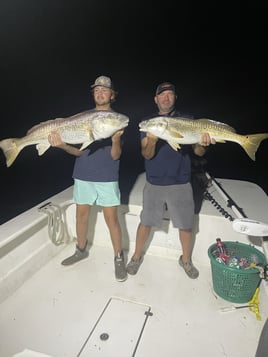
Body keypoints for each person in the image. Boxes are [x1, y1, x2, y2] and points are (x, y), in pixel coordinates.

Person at [126, 82, 215, 279]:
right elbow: (146, 155)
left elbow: (198, 152)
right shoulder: (148, 122)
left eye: (170, 94)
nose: (166, 98)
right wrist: (152, 140)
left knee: (185, 225)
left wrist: (203, 144)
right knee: (146, 222)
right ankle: (136, 256)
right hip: (155, 182)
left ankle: (186, 260)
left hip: (181, 182)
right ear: (156, 99)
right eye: (162, 95)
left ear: (175, 98)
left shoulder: (188, 119)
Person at [48, 75, 127, 282]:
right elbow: (78, 153)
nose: (100, 93)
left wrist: (116, 139)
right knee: (80, 216)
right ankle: (81, 250)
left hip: (107, 177)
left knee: (112, 220)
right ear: (94, 94)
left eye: (105, 90)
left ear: (112, 94)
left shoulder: (116, 119)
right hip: (83, 175)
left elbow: (116, 155)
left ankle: (119, 258)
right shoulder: (83, 117)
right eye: (97, 90)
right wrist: (62, 145)